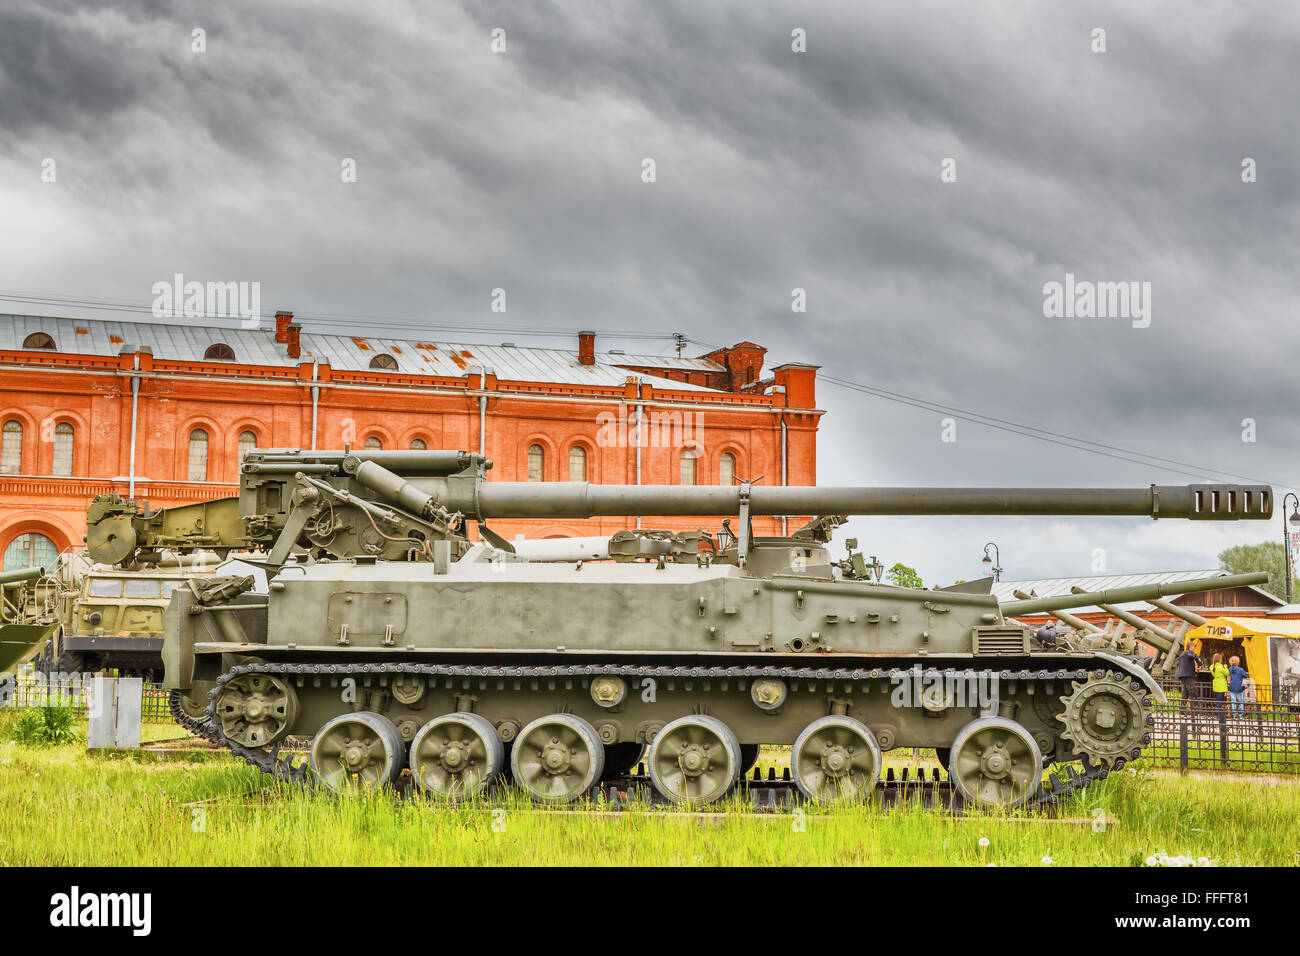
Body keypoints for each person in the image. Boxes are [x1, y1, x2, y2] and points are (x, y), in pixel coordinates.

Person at [1174, 644, 1200, 713]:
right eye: (1194, 646)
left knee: (1185, 694)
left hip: (1184, 676)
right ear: (1191, 647)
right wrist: (1199, 662)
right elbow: (1195, 656)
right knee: (1193, 692)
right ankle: (1195, 711)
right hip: (1188, 676)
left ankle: (1182, 711)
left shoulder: (1183, 654)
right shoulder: (1188, 652)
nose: (1194, 648)